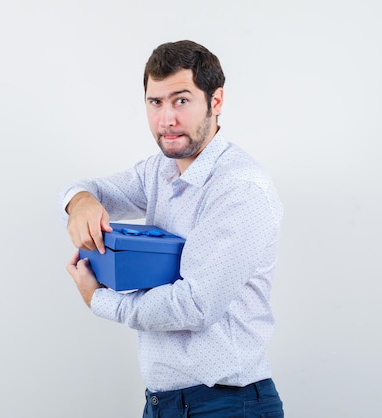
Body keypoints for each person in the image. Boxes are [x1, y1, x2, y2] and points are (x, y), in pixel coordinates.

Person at [60, 40, 285, 417]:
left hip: (228, 404)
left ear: (215, 102)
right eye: (155, 102)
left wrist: (99, 299)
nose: (166, 119)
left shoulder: (239, 187)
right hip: (165, 404)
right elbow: (92, 189)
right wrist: (79, 201)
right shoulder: (159, 172)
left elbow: (193, 306)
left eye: (181, 101)